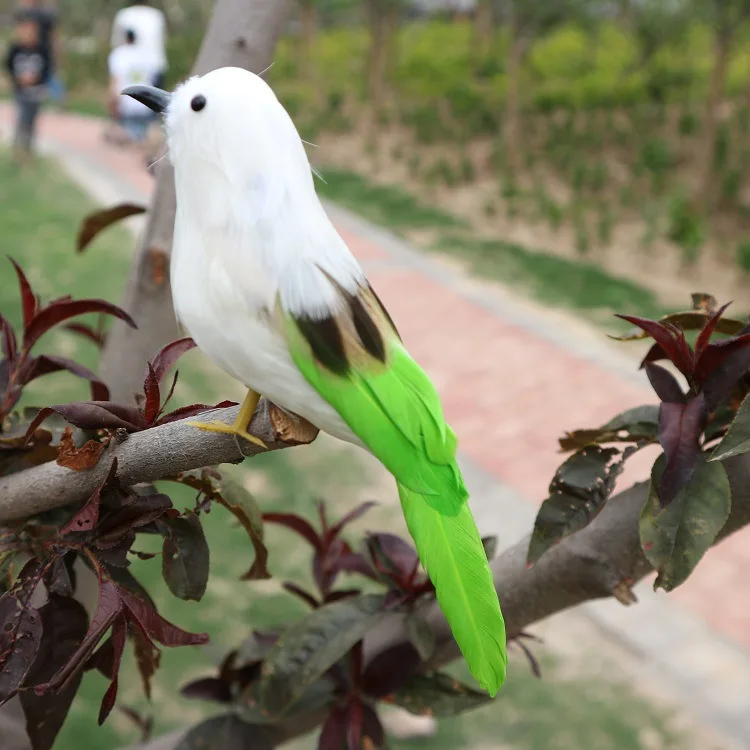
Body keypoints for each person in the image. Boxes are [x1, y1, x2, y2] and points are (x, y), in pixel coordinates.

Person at [5, 14, 51, 162]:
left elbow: (47, 69)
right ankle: (17, 152)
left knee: (31, 122)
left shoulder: (42, 50)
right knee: (21, 119)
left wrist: (37, 79)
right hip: (20, 91)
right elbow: (8, 66)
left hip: (36, 92)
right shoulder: (15, 49)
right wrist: (18, 79)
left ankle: (28, 152)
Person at [107, 28, 162, 144]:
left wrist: (112, 103)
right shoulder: (146, 55)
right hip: (147, 104)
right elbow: (155, 78)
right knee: (144, 136)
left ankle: (122, 134)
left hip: (127, 106)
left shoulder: (119, 54)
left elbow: (115, 82)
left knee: (128, 138)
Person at [13, 0, 63, 105]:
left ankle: (59, 101)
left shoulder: (44, 15)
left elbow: (54, 36)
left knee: (51, 76)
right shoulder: (25, 14)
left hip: (44, 52)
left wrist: (57, 51)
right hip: (33, 54)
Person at [111, 2, 167, 89]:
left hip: (128, 67)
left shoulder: (124, 15)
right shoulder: (156, 15)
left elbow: (117, 41)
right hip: (154, 66)